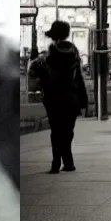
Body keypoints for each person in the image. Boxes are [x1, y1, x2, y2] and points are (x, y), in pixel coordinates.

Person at [29, 19, 89, 173]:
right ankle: (68, 162)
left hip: (53, 98)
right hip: (71, 98)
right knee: (67, 131)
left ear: (53, 36)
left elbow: (35, 73)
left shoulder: (47, 56)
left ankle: (56, 163)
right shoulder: (74, 54)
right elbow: (79, 79)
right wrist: (84, 100)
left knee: (56, 131)